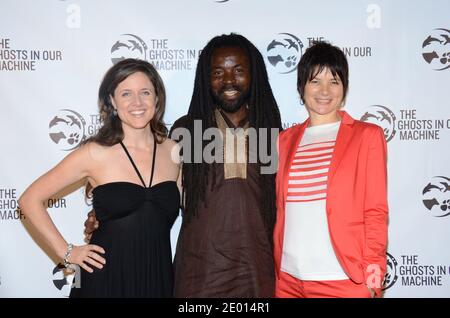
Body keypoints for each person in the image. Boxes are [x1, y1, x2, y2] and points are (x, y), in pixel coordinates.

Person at [19, 58, 180, 297]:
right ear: (113, 101)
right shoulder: (94, 153)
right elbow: (29, 200)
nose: (137, 102)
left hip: (157, 278)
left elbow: (195, 211)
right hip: (104, 280)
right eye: (126, 93)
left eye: (145, 92)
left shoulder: (174, 151)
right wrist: (67, 252)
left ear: (157, 99)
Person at [169, 33, 282, 297]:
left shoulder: (273, 133)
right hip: (199, 276)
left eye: (238, 71)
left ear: (254, 75)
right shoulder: (186, 130)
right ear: (205, 79)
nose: (229, 81)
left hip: (257, 274)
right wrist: (111, 216)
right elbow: (158, 193)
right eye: (218, 72)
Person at [273, 41, 389, 298]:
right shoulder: (284, 140)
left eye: (334, 81)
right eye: (315, 81)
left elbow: (375, 211)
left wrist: (373, 276)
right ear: (302, 86)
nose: (324, 90)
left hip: (343, 280)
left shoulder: (367, 136)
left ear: (344, 89)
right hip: (289, 281)